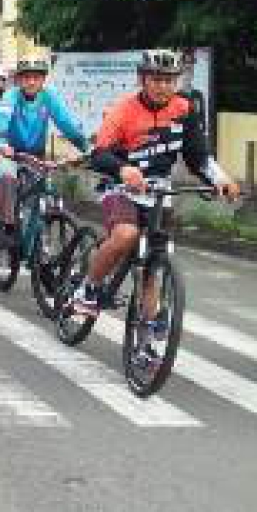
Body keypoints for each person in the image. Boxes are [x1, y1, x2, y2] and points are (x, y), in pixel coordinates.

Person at [71, 48, 239, 320]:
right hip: (119, 186)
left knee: (154, 265)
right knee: (126, 235)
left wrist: (219, 178)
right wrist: (123, 168)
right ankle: (88, 288)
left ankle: (147, 339)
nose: (163, 86)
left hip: (159, 191)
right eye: (156, 79)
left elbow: (197, 155)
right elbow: (99, 153)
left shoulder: (184, 108)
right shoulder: (123, 110)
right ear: (142, 79)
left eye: (170, 80)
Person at [0, 57, 91, 234]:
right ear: (18, 79)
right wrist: (1, 142)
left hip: (36, 154)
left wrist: (87, 148)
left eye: (36, 77)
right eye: (26, 77)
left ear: (43, 79)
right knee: (6, 177)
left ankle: (33, 242)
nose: (31, 82)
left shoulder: (49, 95)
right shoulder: (10, 95)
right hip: (10, 151)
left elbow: (66, 123)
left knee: (39, 195)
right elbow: (2, 122)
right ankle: (8, 225)